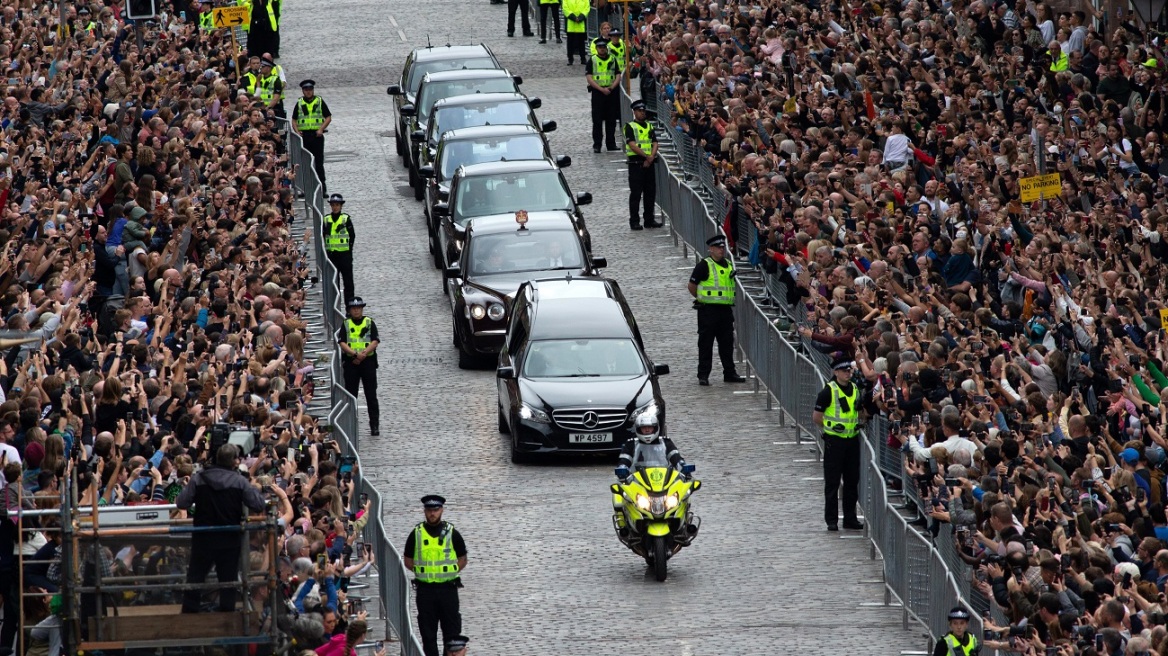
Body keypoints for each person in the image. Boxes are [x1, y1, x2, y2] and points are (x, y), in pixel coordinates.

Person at [175, 444, 267, 612]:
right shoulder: (240, 481)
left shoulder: (198, 478)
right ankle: (227, 616)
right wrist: (251, 485)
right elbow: (258, 503)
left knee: (195, 578)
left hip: (203, 538)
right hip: (229, 539)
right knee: (228, 581)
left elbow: (182, 502)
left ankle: (188, 616)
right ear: (234, 462)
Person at [403, 496, 467, 656]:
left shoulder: (452, 533)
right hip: (426, 591)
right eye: (429, 510)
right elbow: (408, 560)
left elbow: (463, 559)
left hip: (448, 590)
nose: (432, 513)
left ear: (442, 510)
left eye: (436, 510)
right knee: (428, 635)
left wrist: (449, 571)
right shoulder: (416, 533)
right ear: (424, 511)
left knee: (452, 635)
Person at [687, 235, 746, 386]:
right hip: (708, 310)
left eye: (723, 247)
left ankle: (729, 373)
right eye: (718, 248)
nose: (722, 250)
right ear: (711, 249)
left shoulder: (728, 264)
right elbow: (692, 286)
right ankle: (703, 375)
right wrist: (701, 298)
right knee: (706, 343)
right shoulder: (704, 265)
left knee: (726, 343)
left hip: (725, 310)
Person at [812, 357, 863, 532]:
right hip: (835, 441)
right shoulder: (828, 391)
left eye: (849, 371)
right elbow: (817, 417)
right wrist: (829, 429)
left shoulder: (855, 389)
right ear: (836, 372)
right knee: (833, 482)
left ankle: (850, 518)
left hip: (852, 440)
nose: (847, 374)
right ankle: (832, 520)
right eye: (844, 371)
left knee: (852, 481)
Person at [337, 297, 380, 437]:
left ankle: (374, 425)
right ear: (350, 310)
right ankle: (351, 424)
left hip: (368, 362)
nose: (356, 310)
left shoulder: (369, 322)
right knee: (351, 395)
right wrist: (355, 354)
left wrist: (363, 354)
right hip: (351, 364)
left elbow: (375, 341)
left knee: (371, 395)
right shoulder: (346, 324)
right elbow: (342, 342)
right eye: (354, 308)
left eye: (359, 308)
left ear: (362, 309)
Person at [624, 99, 660, 230]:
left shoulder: (649, 126)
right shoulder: (630, 127)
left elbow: (655, 142)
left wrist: (650, 157)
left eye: (643, 111)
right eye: (640, 111)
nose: (642, 113)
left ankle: (649, 219)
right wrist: (647, 156)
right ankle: (634, 221)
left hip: (649, 163)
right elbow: (632, 145)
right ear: (634, 112)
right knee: (636, 194)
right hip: (636, 164)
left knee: (650, 193)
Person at [292, 79, 332, 193]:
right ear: (303, 91)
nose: (308, 92)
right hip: (304, 136)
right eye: (306, 90)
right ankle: (306, 189)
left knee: (318, 163)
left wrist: (321, 129)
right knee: (305, 163)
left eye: (310, 89)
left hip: (317, 136)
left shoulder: (319, 101)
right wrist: (297, 131)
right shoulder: (300, 103)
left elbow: (328, 117)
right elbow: (294, 119)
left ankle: (322, 189)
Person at [586, 39, 622, 153]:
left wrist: (611, 87)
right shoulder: (592, 60)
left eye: (604, 47)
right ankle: (597, 144)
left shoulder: (612, 59)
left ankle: (611, 143)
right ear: (597, 48)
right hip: (598, 93)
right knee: (597, 120)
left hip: (611, 92)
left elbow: (618, 75)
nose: (602, 49)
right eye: (600, 47)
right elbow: (589, 77)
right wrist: (601, 89)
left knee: (611, 119)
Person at [323, 193, 356, 302]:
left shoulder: (345, 219)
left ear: (341, 206)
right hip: (332, 256)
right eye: (333, 205)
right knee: (333, 283)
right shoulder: (326, 220)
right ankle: (335, 305)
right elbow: (323, 236)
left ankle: (349, 307)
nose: (335, 207)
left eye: (337, 205)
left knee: (348, 283)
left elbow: (352, 236)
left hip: (345, 255)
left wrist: (349, 249)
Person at [562, 0, 588, 64]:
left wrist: (580, 17)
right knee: (570, 42)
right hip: (571, 23)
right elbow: (565, 8)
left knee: (581, 42)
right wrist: (574, 17)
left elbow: (587, 8)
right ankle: (570, 59)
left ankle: (583, 58)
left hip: (580, 23)